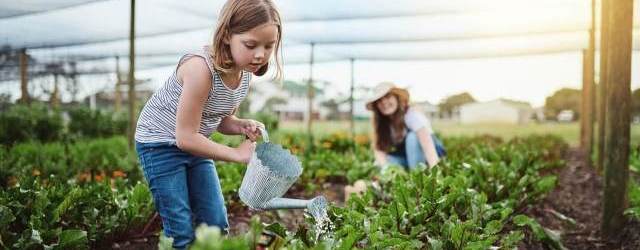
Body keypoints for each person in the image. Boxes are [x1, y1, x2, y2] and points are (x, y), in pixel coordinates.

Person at [134, 0, 282, 248]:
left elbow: (220, 119)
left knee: (215, 223)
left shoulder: (243, 72)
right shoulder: (200, 69)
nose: (260, 54)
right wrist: (236, 154)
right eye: (251, 44)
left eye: (269, 46)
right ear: (226, 36)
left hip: (195, 145)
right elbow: (185, 137)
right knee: (180, 231)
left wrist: (240, 125)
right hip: (159, 145)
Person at [366, 82, 446, 172]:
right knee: (379, 163)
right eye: (379, 100)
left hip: (429, 156)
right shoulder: (383, 123)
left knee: (412, 137)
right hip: (408, 158)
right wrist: (385, 169)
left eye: (388, 97)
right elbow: (379, 150)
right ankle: (405, 173)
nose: (384, 102)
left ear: (396, 98)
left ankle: (417, 175)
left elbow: (428, 146)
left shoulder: (411, 114)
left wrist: (435, 171)